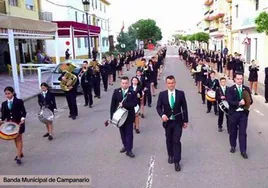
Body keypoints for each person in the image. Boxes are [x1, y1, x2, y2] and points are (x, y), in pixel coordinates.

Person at [156, 75, 189, 172]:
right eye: (169, 83)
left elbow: (185, 108)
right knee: (169, 139)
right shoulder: (162, 94)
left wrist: (185, 120)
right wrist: (162, 115)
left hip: (178, 122)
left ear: (175, 83)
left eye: (172, 83)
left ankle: (177, 161)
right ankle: (170, 154)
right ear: (166, 84)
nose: (171, 85)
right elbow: (158, 107)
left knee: (176, 141)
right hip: (168, 122)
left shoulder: (180, 94)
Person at [110, 76, 138, 158]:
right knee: (122, 133)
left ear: (128, 83)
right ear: (120, 83)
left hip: (129, 116)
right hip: (119, 117)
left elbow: (135, 103)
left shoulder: (132, 92)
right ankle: (125, 146)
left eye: (126, 83)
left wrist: (124, 104)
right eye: (123, 83)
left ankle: (129, 150)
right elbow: (113, 105)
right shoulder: (116, 91)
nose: (124, 84)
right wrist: (112, 116)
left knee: (129, 133)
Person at [226, 73, 253, 159]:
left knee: (243, 133)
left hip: (243, 114)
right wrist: (238, 103)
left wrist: (247, 102)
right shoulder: (230, 89)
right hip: (233, 113)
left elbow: (250, 100)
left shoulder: (246, 89)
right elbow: (229, 101)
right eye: (238, 79)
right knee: (233, 131)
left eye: (241, 79)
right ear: (234, 79)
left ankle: (243, 150)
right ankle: (233, 145)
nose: (239, 80)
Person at [0, 86, 27, 165]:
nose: (7, 95)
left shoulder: (19, 101)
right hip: (10, 125)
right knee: (15, 139)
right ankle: (20, 152)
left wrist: (22, 119)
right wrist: (1, 120)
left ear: (13, 93)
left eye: (9, 93)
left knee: (18, 139)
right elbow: (3, 115)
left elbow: (23, 112)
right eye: (6, 94)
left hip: (19, 123)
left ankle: (18, 157)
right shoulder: (4, 104)